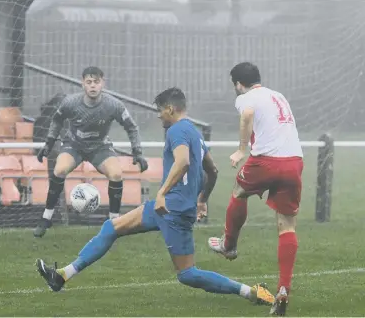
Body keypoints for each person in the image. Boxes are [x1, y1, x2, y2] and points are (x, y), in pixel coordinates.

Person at [35, 87, 275, 308]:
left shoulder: (176, 130)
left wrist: (161, 193)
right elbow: (212, 170)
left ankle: (250, 292)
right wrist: (202, 199)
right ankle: (62, 275)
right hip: (171, 207)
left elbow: (182, 162)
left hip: (172, 209)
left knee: (188, 274)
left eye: (160, 110)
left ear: (170, 109)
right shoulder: (194, 132)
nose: (159, 116)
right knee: (111, 227)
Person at [207, 62, 304, 316]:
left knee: (239, 191)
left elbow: (248, 114)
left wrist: (241, 149)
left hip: (267, 161)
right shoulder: (278, 95)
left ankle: (229, 245)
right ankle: (282, 291)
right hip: (294, 161)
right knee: (287, 225)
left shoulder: (246, 97)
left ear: (238, 84)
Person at [33, 66, 148, 238]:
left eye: (96, 82)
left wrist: (137, 152)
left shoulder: (113, 105)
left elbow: (131, 127)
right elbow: (57, 120)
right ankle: (46, 217)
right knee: (59, 170)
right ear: (83, 84)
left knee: (116, 174)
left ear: (103, 83)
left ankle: (113, 223)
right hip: (74, 145)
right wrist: (49, 144)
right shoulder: (71, 102)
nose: (93, 86)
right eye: (89, 82)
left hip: (100, 147)